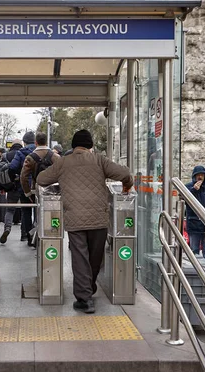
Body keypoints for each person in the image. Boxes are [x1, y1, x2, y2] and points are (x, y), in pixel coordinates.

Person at [37, 129, 133, 314]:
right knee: (95, 258)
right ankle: (89, 288)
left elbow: (42, 179)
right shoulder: (99, 160)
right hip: (99, 217)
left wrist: (61, 182)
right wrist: (127, 185)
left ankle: (85, 298)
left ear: (74, 145)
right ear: (90, 145)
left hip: (75, 218)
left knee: (80, 258)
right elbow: (124, 173)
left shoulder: (63, 162)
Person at [8, 131, 36, 243]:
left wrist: (15, 178)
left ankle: (27, 235)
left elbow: (12, 167)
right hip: (39, 186)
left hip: (24, 186)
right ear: (35, 141)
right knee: (39, 211)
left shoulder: (20, 153)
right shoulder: (41, 152)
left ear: (24, 142)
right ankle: (37, 236)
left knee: (26, 212)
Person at [185, 165, 205, 259]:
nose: (200, 177)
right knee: (194, 250)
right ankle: (194, 268)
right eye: (198, 175)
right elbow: (186, 200)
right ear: (194, 176)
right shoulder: (188, 187)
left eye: (202, 175)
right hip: (194, 223)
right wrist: (194, 190)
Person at [0, 139, 24, 244]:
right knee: (25, 210)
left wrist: (3, 187)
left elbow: (0, 172)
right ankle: (24, 234)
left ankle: (7, 228)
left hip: (11, 187)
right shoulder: (24, 154)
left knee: (10, 210)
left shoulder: (6, 156)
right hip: (23, 186)